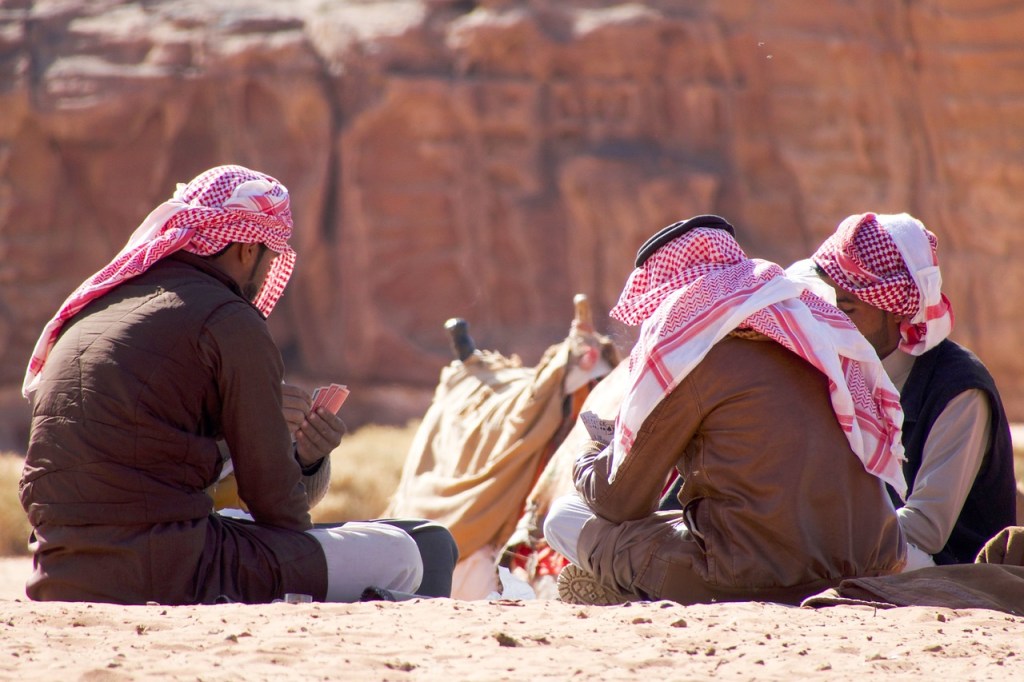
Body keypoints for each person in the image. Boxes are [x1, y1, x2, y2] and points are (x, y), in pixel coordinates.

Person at [19, 164, 457, 605]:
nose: (269, 275)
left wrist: (302, 457)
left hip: (60, 572)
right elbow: (278, 511)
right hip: (169, 569)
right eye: (272, 255)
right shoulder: (228, 319)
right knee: (414, 550)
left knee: (411, 540)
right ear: (249, 248)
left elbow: (154, 457)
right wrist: (289, 464)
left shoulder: (100, 309)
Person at [544, 215, 908, 606]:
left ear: (673, 299)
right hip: (872, 566)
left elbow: (620, 502)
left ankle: (629, 588)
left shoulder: (691, 358)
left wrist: (591, 453)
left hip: (756, 579)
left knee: (564, 517)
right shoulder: (813, 332)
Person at [802, 211, 1016, 567]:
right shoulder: (841, 372)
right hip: (862, 549)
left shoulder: (958, 389)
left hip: (944, 572)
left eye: (848, 308)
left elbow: (925, 529)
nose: (832, 320)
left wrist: (814, 537)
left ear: (895, 309)